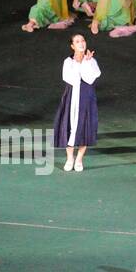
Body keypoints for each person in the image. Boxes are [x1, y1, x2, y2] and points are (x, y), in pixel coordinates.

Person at [54, 34, 100, 173]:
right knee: (69, 125)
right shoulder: (68, 61)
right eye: (77, 41)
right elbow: (69, 78)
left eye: (83, 40)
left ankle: (79, 158)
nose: (81, 43)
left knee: (85, 126)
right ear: (72, 46)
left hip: (87, 96)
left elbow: (90, 78)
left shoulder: (91, 60)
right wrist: (79, 64)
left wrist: (86, 62)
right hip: (71, 96)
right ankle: (70, 158)